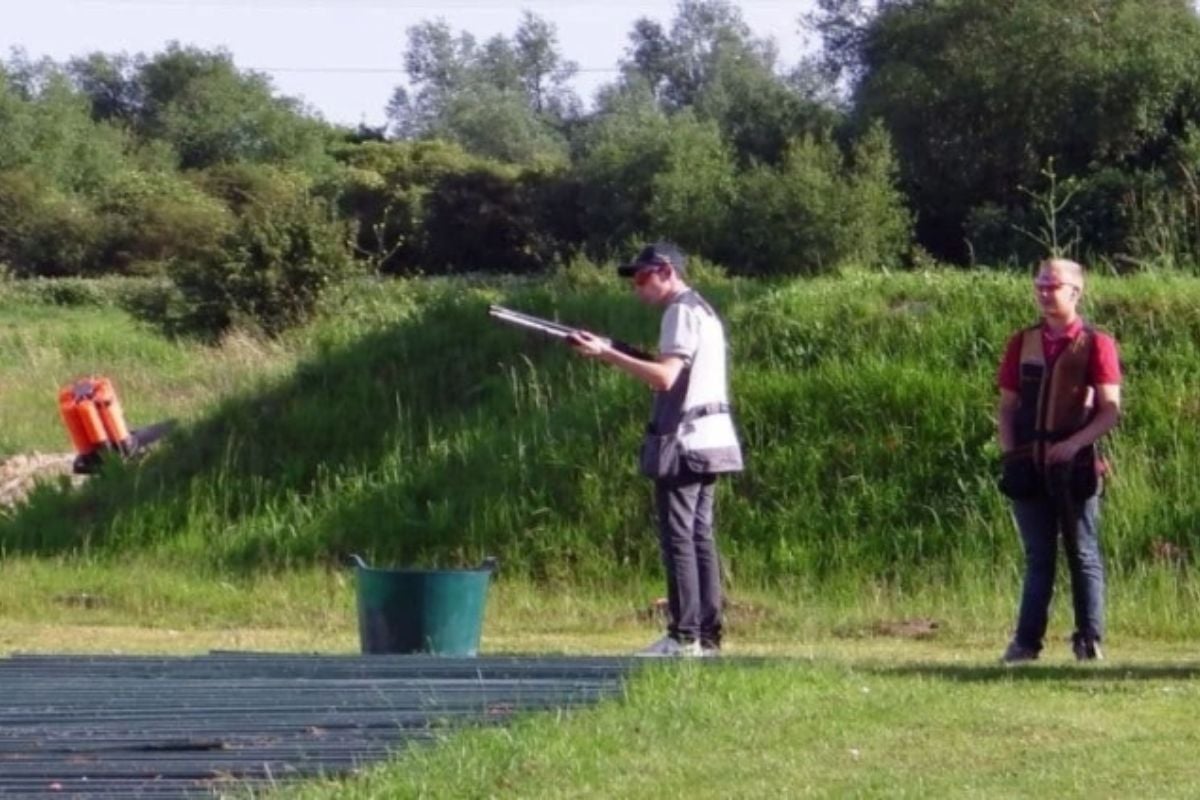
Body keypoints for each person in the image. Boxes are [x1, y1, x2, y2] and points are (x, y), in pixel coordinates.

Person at [569, 242, 743, 657]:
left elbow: (664, 378)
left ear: (667, 271)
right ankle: (706, 637)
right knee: (700, 538)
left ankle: (684, 638)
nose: (637, 287)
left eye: (643, 277)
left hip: (685, 441)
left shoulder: (679, 311)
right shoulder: (702, 310)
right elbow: (674, 370)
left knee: (679, 539)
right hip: (712, 438)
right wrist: (617, 347)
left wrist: (606, 354)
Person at [996, 258, 1122, 663]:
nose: (1045, 292)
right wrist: (1011, 455)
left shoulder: (1096, 342)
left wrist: (1074, 445)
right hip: (1029, 464)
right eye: (1041, 284)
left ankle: (1089, 641)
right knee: (1038, 557)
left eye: (1054, 285)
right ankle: (1024, 644)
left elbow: (1110, 410)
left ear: (1076, 292)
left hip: (1076, 467)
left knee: (1082, 553)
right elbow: (1007, 408)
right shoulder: (1022, 342)